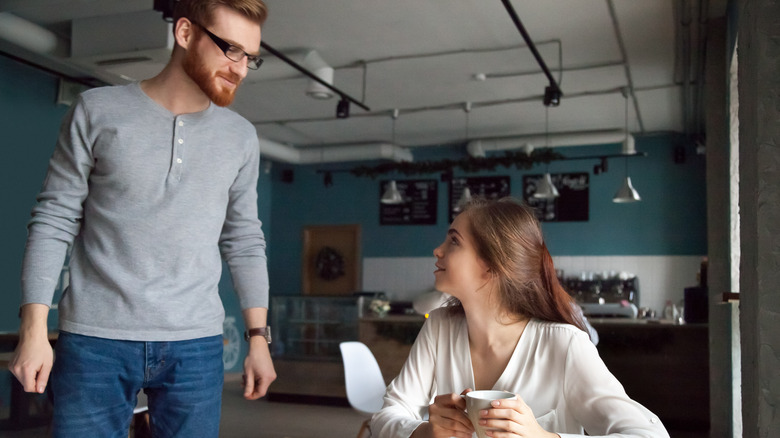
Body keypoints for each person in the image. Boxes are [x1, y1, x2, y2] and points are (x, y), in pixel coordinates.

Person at [9, 0, 275, 436]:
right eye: (230, 49)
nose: (241, 68)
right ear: (185, 33)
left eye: (250, 56)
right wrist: (34, 329)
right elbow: (54, 219)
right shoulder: (97, 110)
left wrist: (259, 339)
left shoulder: (240, 138)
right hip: (95, 338)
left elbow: (245, 239)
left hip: (197, 343)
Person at [370, 197, 668, 438]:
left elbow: (648, 434)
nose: (437, 250)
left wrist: (544, 437)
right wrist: (421, 432)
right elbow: (386, 416)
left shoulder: (565, 344)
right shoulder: (438, 328)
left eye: (454, 242)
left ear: (491, 265)